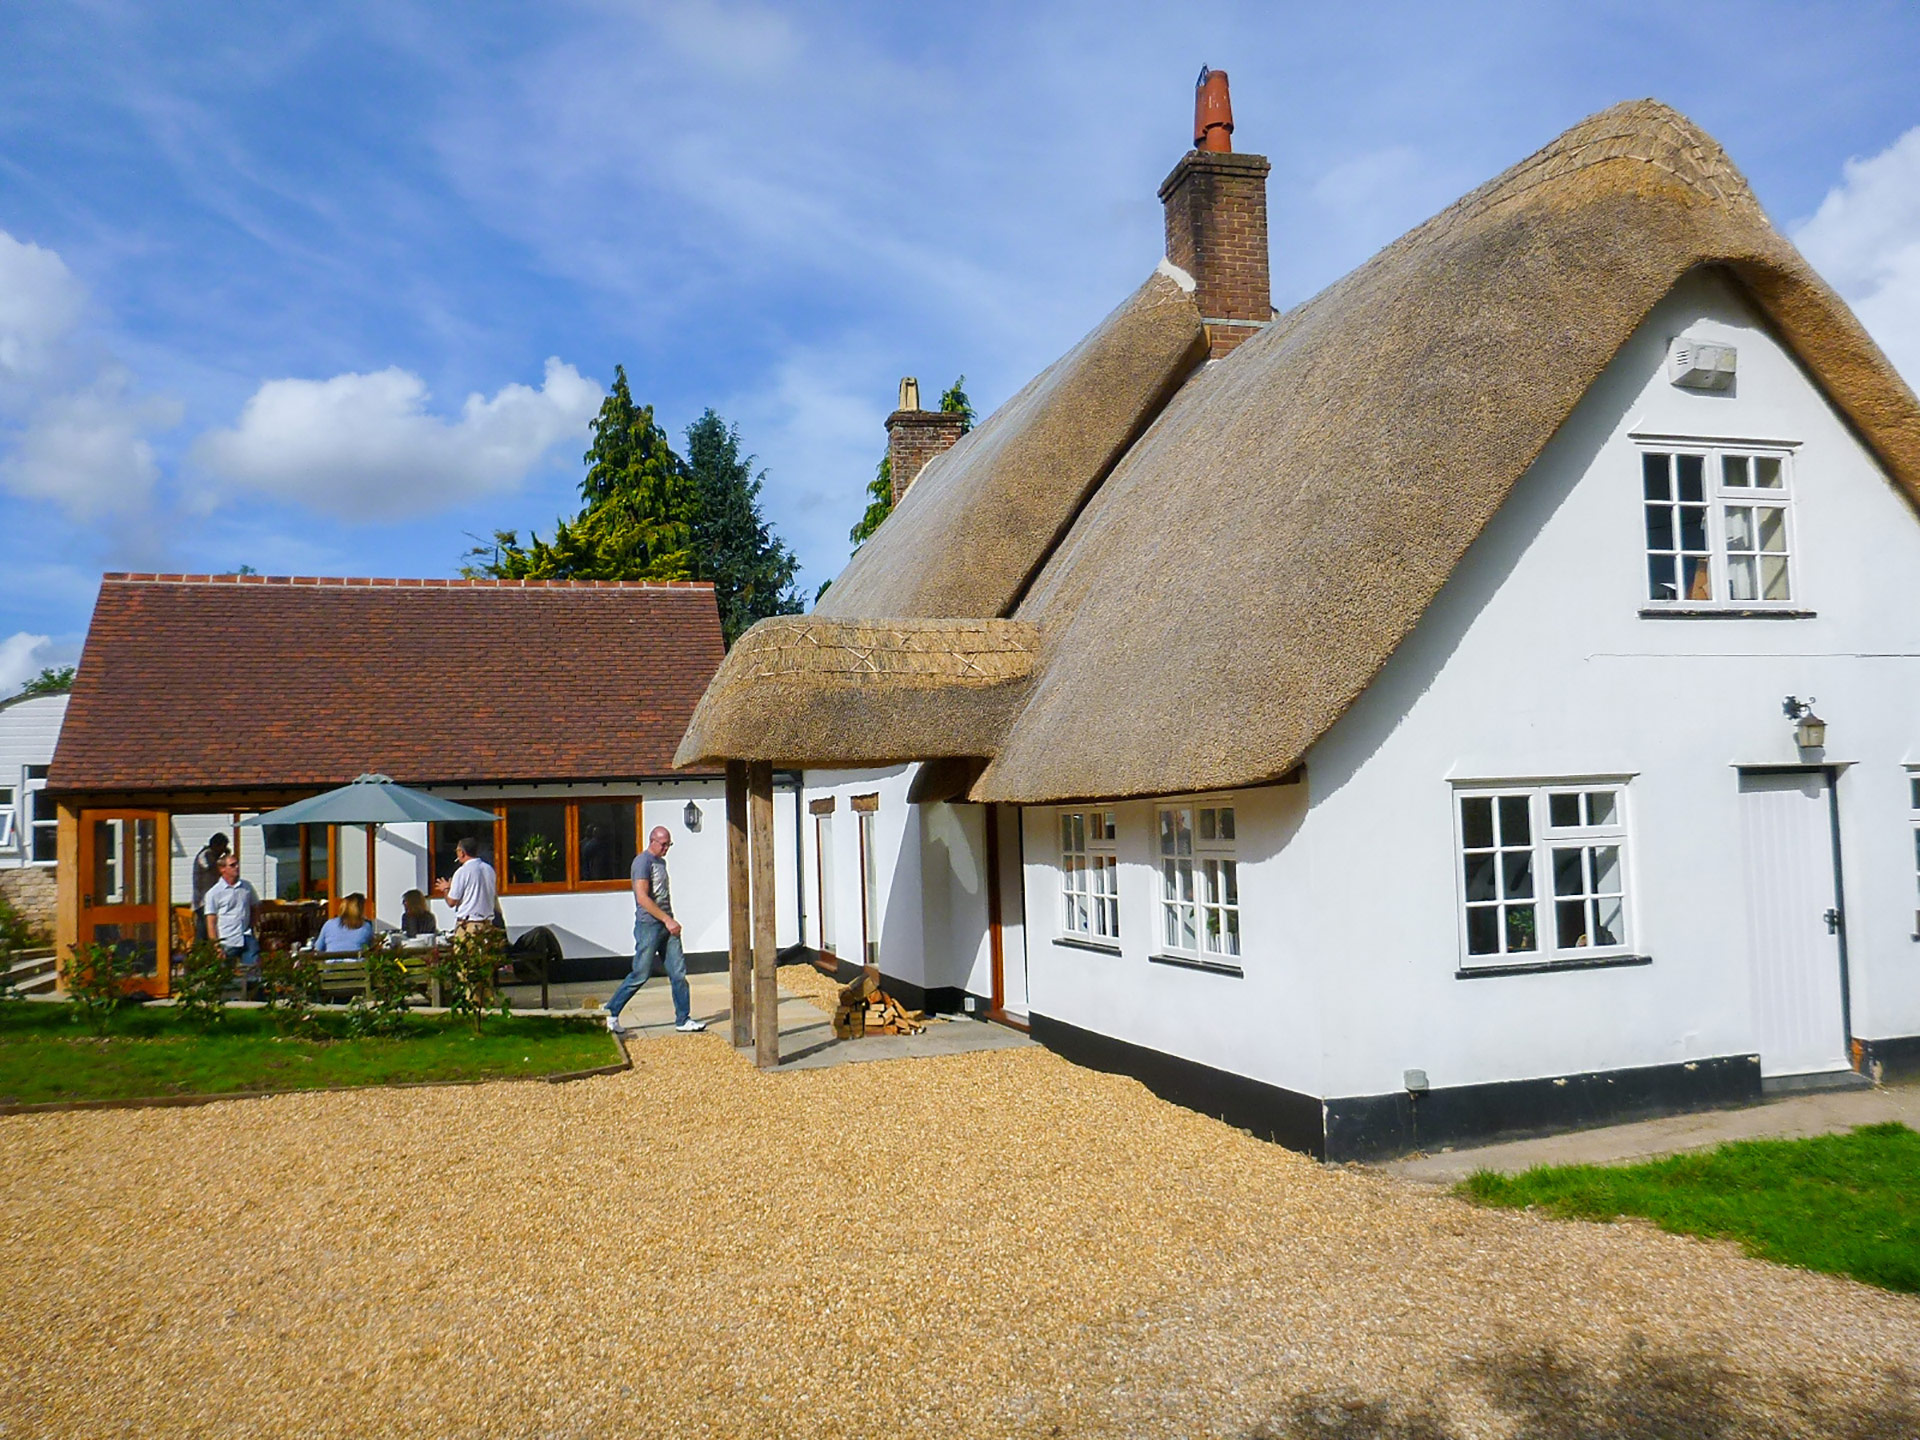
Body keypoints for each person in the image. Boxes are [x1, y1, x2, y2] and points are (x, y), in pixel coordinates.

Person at [603, 825, 704, 1035]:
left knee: (678, 974)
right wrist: (667, 920)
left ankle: (683, 1019)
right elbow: (642, 897)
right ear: (653, 841)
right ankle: (610, 1013)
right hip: (649, 926)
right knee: (640, 973)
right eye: (664, 844)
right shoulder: (642, 862)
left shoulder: (661, 862)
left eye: (669, 844)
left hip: (667, 926)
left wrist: (669, 921)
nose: (667, 848)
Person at [202, 851, 259, 974]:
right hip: (227, 940)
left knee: (253, 975)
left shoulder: (246, 887)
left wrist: (252, 925)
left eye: (237, 864)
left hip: (246, 937)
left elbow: (255, 907)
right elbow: (211, 922)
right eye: (232, 865)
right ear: (222, 869)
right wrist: (216, 946)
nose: (237, 867)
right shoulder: (214, 893)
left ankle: (254, 992)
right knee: (225, 976)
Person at [432, 836, 499, 936]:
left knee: (465, 951)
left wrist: (446, 889)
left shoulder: (462, 871)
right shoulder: (489, 869)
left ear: (461, 852)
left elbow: (451, 902)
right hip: (487, 924)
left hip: (469, 925)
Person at [191, 832, 230, 925]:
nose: (223, 850)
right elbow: (215, 870)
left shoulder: (213, 856)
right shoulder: (205, 855)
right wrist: (225, 857)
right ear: (216, 845)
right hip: (202, 901)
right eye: (223, 847)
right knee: (205, 929)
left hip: (212, 899)